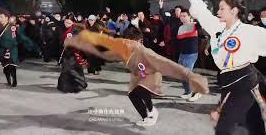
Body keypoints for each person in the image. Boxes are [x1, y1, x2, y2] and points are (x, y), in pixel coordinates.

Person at [175, 0, 266, 135]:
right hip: (226, 81)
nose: (218, 11)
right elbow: (202, 12)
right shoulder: (217, 27)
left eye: (222, 8)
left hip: (245, 82)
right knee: (254, 124)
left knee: (224, 127)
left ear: (234, 10)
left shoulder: (250, 31)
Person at [64, 27, 209, 126]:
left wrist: (190, 76)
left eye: (131, 41)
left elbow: (167, 64)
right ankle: (147, 116)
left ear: (138, 41)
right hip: (139, 76)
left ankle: (152, 112)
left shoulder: (145, 51)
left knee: (141, 90)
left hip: (152, 75)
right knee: (132, 95)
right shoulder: (123, 48)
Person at [0, 7, 39, 87]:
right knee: (6, 67)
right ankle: (8, 79)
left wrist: (33, 46)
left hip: (12, 49)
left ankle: (14, 80)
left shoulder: (13, 27)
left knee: (12, 65)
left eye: (2, 17)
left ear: (7, 18)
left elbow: (22, 37)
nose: (0, 19)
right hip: (1, 49)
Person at [57, 15, 88, 93]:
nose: (66, 24)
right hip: (65, 52)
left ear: (73, 22)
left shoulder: (76, 29)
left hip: (74, 53)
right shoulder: (62, 28)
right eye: (65, 22)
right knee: (68, 69)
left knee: (70, 69)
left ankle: (74, 85)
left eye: (69, 22)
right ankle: (65, 86)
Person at [177, 9, 202, 101]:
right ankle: (188, 92)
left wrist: (198, 13)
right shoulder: (180, 28)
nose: (182, 17)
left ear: (189, 17)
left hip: (191, 54)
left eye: (184, 15)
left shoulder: (194, 25)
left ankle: (197, 91)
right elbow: (179, 42)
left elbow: (201, 23)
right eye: (181, 16)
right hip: (182, 54)